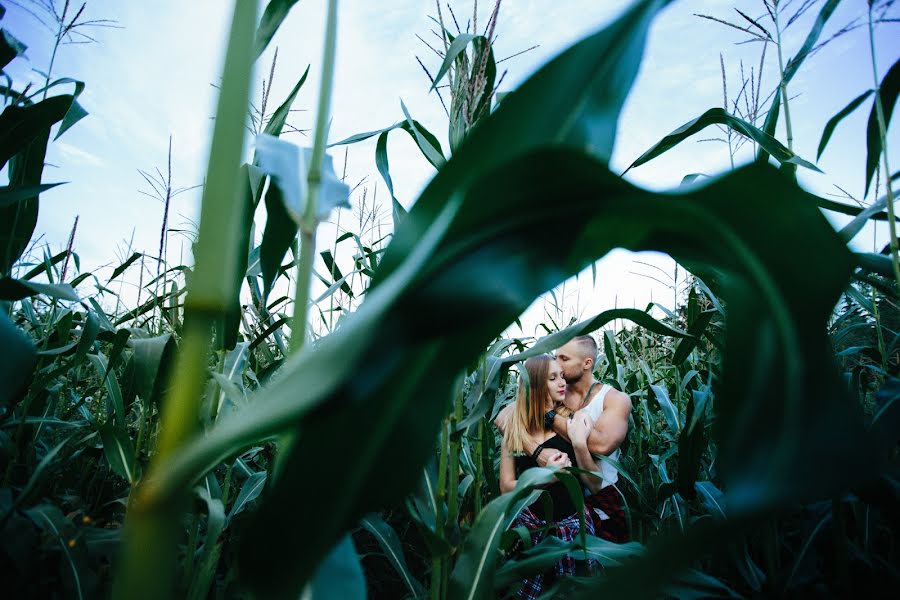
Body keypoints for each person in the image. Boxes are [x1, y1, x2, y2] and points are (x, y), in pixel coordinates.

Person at [496, 335, 631, 542]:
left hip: (597, 505)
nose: (558, 363)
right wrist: (538, 454)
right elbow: (503, 418)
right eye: (553, 375)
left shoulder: (610, 400)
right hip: (531, 523)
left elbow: (600, 445)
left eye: (564, 359)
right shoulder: (559, 394)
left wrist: (553, 419)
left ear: (587, 363)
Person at [500, 354, 599, 599]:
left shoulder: (575, 421)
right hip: (529, 529)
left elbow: (594, 483)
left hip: (572, 528)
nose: (562, 383)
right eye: (553, 378)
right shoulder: (515, 431)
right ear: (534, 384)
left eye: (562, 376)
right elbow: (506, 488)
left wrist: (578, 445)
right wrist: (548, 478)